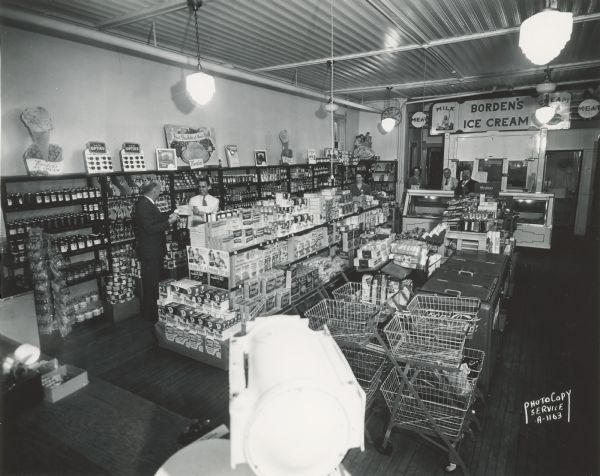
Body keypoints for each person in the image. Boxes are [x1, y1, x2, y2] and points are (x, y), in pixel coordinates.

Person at [135, 181, 178, 322]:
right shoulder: (143, 205)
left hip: (154, 250)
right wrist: (169, 223)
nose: (160, 193)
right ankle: (150, 314)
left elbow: (156, 219)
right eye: (159, 191)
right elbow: (150, 229)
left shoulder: (147, 203)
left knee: (154, 281)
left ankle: (155, 311)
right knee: (150, 283)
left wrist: (169, 214)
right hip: (150, 251)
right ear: (153, 191)